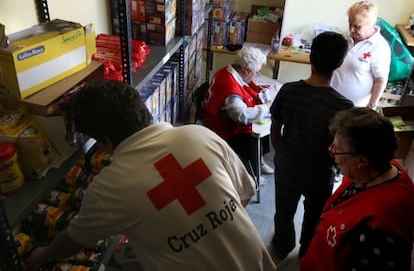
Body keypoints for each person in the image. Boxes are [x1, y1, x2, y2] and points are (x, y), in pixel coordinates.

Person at [25, 80, 276, 271]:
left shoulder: (109, 187)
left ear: (105, 141)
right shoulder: (200, 135)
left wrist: (43, 255)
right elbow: (244, 194)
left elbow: (75, 238)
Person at [269, 31, 354, 261]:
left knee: (283, 211)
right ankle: (307, 250)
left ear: (310, 57)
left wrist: (278, 152)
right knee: (315, 214)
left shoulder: (288, 90)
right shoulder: (344, 105)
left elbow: (275, 127)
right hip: (319, 172)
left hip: (287, 164)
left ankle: (282, 245)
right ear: (339, 63)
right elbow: (341, 147)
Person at [301, 107, 414, 270]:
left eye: (337, 149)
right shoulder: (379, 168)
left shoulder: (382, 227)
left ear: (362, 161)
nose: (331, 151)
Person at [200, 46, 274, 182]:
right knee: (255, 133)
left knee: (261, 125)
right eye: (256, 73)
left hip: (222, 120)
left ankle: (259, 160)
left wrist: (257, 89)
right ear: (246, 70)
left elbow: (245, 84)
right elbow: (242, 116)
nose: (256, 76)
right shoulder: (229, 86)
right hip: (223, 130)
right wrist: (265, 107)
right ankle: (252, 174)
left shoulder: (229, 70)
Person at [331, 0, 391, 108]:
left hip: (355, 107)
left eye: (357, 26)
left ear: (371, 25)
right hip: (333, 99)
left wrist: (371, 106)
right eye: (350, 23)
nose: (351, 29)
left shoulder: (380, 47)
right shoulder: (346, 38)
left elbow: (380, 80)